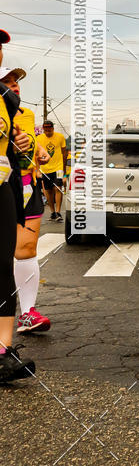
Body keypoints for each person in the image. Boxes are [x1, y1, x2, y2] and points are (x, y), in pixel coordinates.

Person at [0, 65, 52, 333]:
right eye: (6, 81)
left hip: (26, 185)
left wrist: (39, 151)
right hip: (4, 186)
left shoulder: (26, 113)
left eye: (16, 81)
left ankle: (28, 312)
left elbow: (28, 142)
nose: (15, 85)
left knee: (27, 249)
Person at [0, 29, 35, 384]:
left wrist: (20, 143)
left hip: (3, 190)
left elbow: (17, 154)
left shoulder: (7, 101)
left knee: (2, 265)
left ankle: (2, 353)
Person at [38, 119, 67, 222]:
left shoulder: (60, 137)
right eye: (45, 128)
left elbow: (64, 153)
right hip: (45, 169)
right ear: (43, 128)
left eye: (49, 128)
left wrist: (64, 171)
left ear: (52, 128)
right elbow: (36, 154)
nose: (47, 130)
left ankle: (58, 212)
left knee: (58, 188)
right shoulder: (39, 139)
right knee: (48, 191)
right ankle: (52, 212)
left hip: (58, 167)